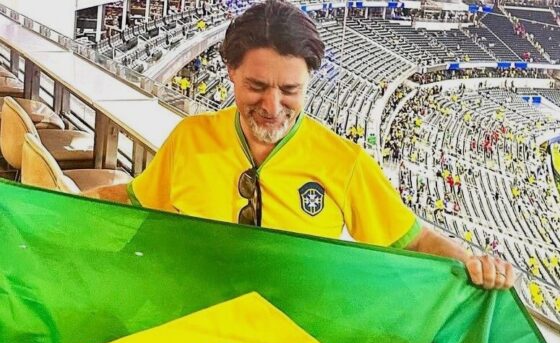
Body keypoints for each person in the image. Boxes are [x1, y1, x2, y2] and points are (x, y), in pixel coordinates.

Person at [83, 0, 513, 290]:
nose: (272, 106)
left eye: (290, 89)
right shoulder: (190, 139)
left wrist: (474, 262)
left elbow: (412, 240)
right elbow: (139, 200)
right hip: (196, 333)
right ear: (230, 71)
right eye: (256, 86)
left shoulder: (343, 161)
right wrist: (53, 203)